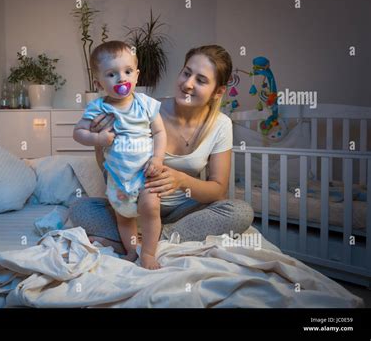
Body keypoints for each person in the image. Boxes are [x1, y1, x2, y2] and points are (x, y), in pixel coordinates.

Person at [70, 44, 254, 262]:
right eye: (186, 73)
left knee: (240, 212)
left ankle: (151, 239)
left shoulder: (221, 125)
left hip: (182, 211)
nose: (187, 84)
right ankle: (141, 236)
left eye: (201, 80)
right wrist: (99, 139)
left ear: (219, 92)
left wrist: (181, 180)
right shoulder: (144, 110)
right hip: (136, 203)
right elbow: (111, 166)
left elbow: (217, 191)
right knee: (80, 208)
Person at [73, 41, 167, 269]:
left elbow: (160, 132)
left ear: (136, 75)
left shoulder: (145, 104)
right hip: (117, 179)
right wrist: (98, 139)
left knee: (151, 209)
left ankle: (148, 254)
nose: (121, 78)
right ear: (99, 83)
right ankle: (131, 250)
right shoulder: (98, 108)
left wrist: (157, 159)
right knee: (124, 218)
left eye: (127, 72)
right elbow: (78, 133)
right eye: (112, 74)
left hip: (146, 174)